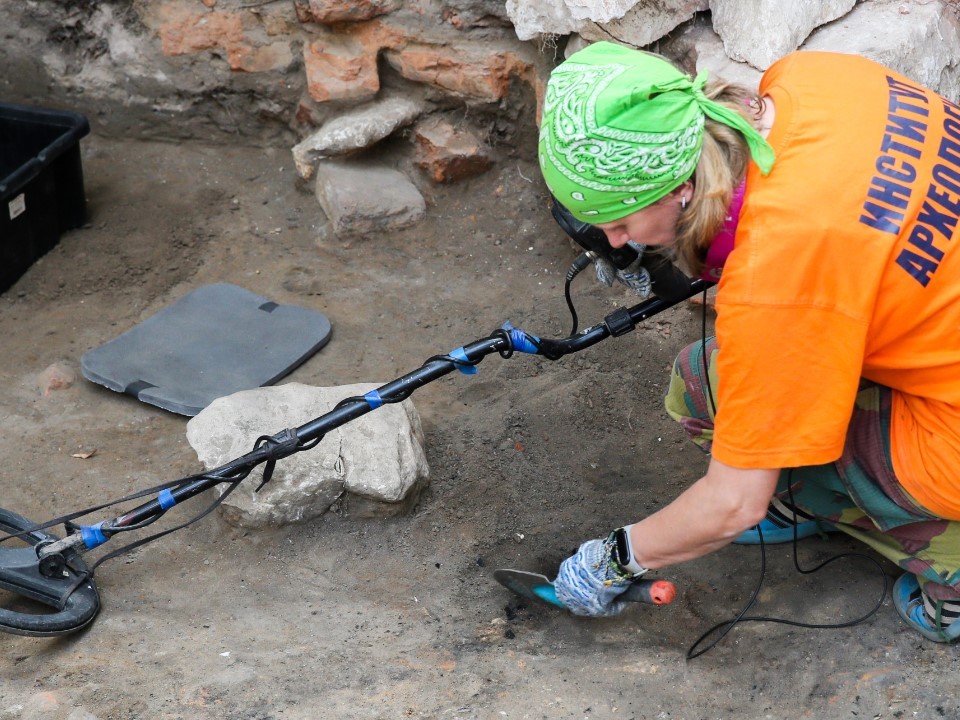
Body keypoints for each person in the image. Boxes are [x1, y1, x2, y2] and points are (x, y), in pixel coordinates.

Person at [537, 40, 960, 643]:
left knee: (704, 390)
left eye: (620, 223)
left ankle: (950, 569)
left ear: (678, 189)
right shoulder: (814, 79)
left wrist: (616, 558)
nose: (621, 243)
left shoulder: (775, 274)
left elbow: (732, 503)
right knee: (729, 385)